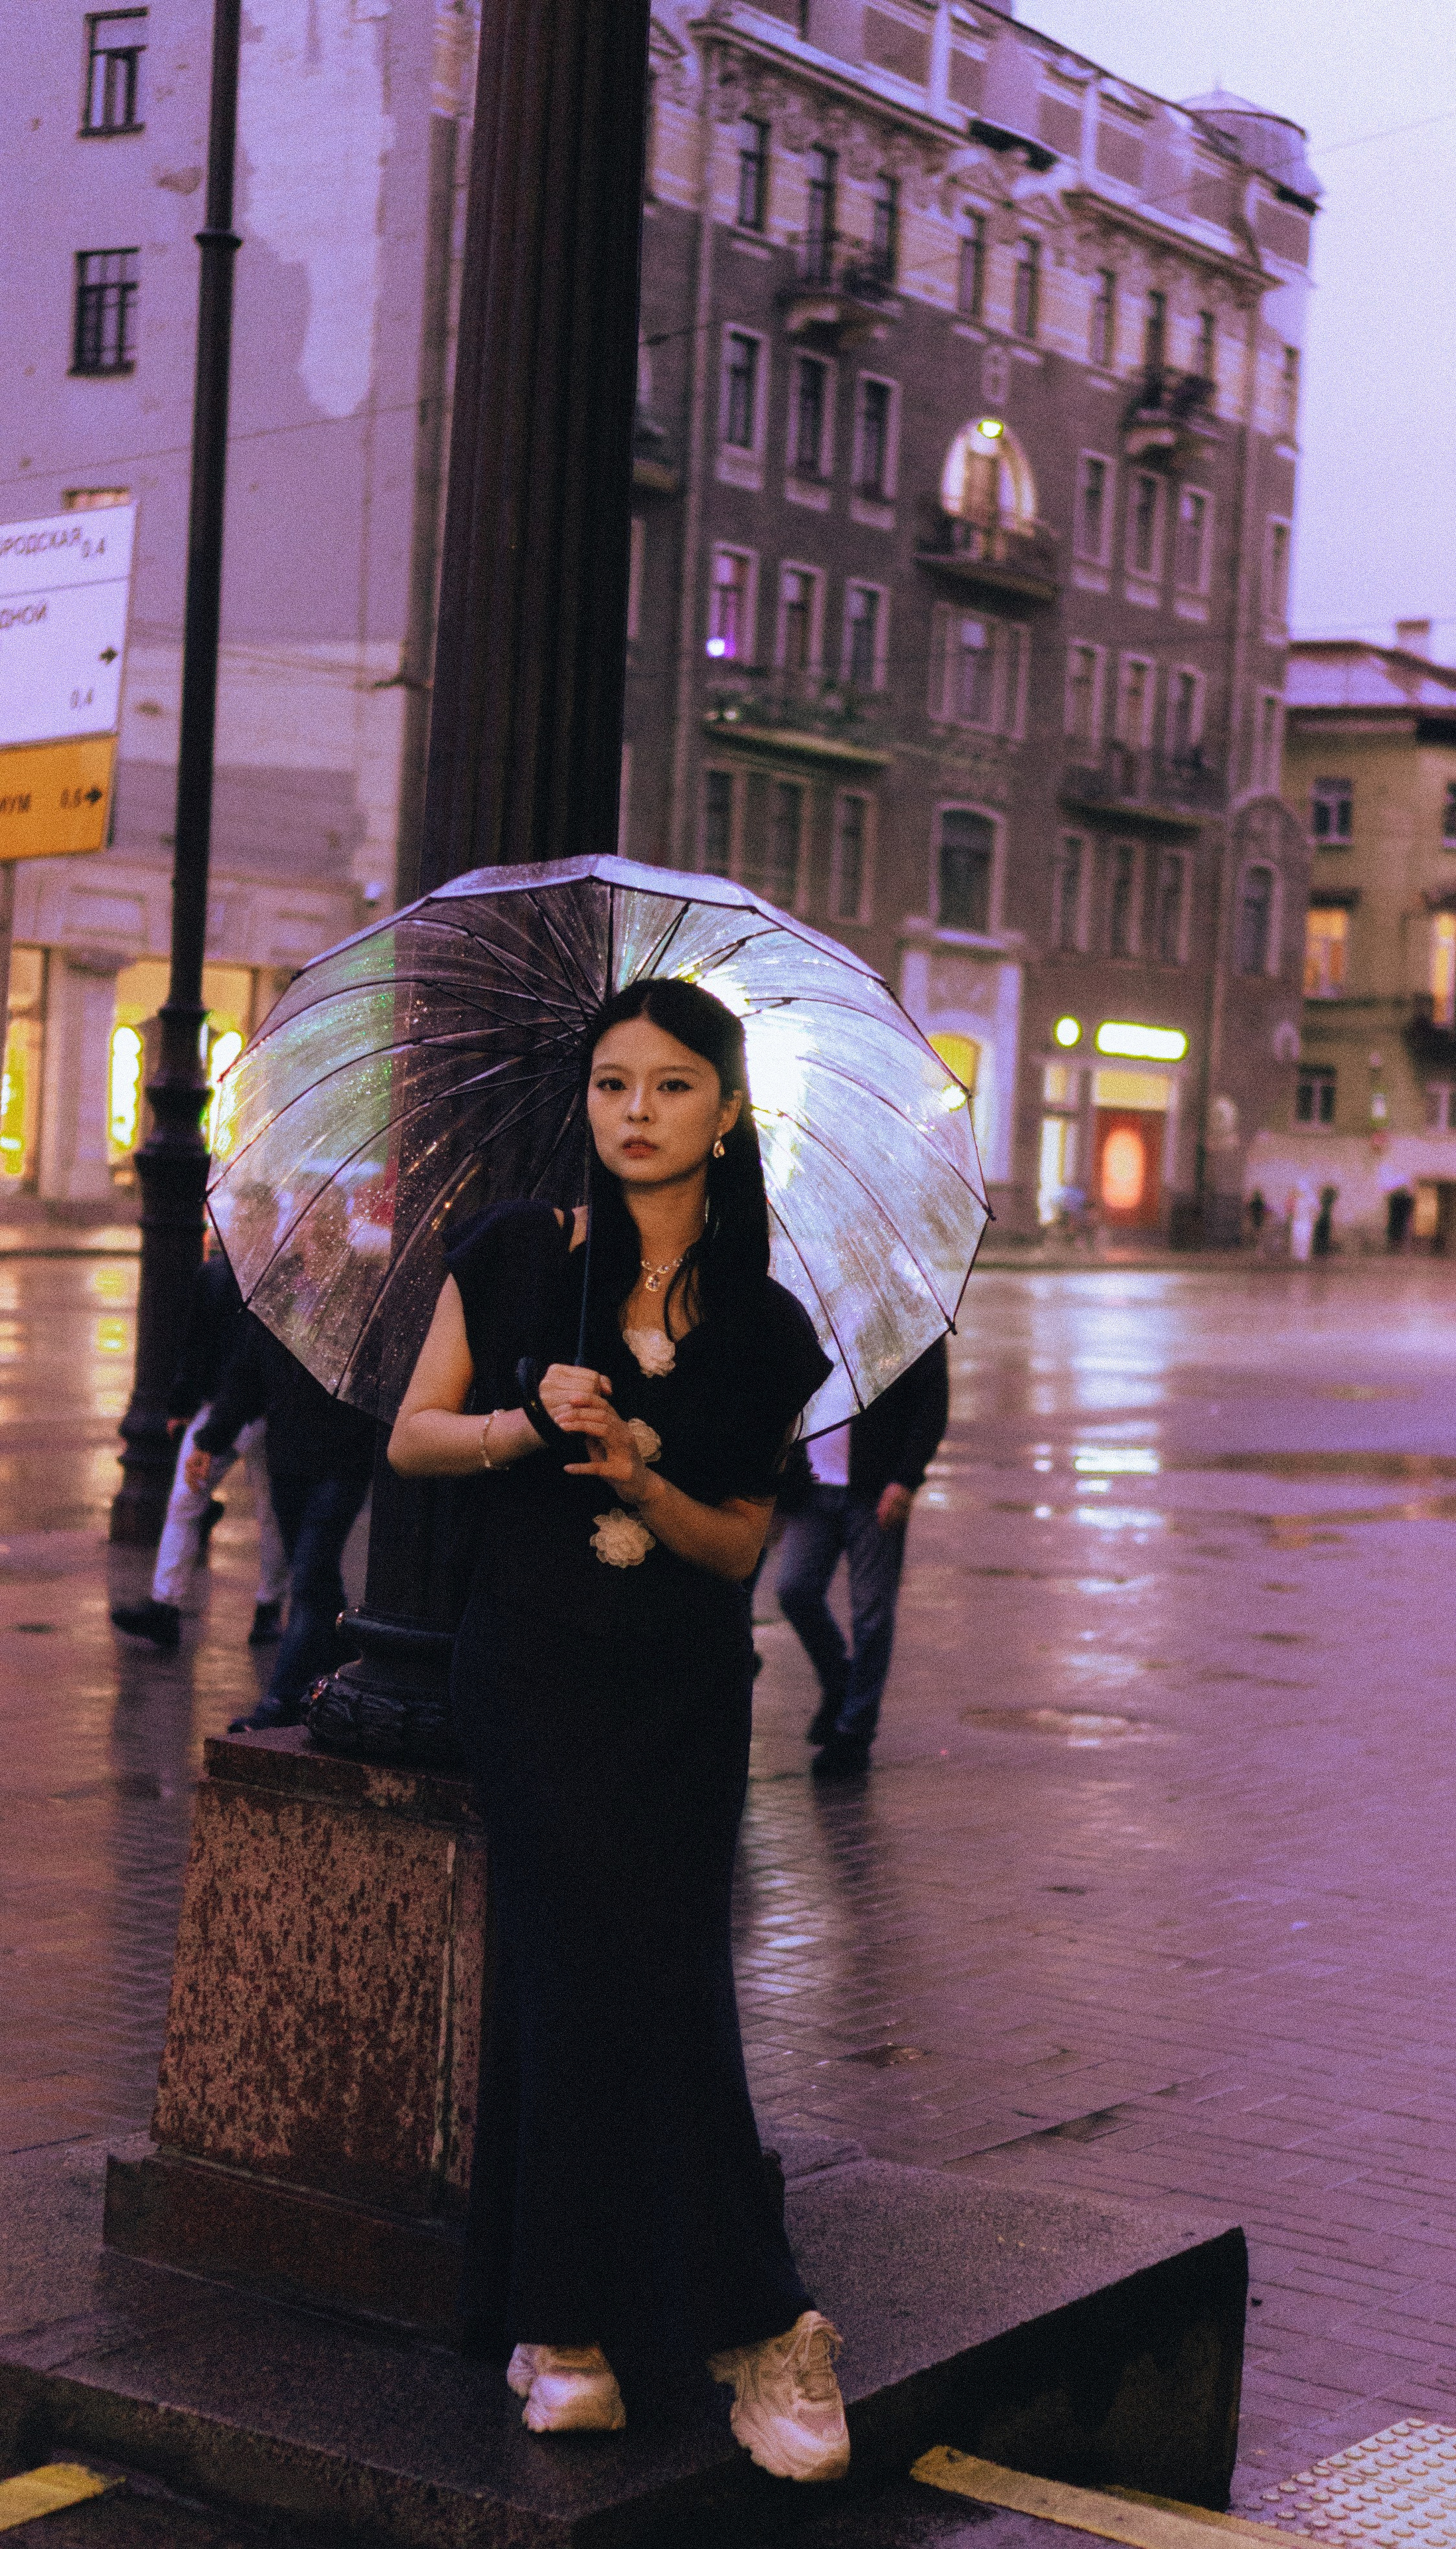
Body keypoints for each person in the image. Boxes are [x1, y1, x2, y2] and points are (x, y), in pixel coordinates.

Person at [387, 978, 851, 2484]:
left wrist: (642, 1468)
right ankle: (701, 2319)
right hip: (529, 1671)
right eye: (608, 1084)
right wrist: (532, 1424)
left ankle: (590, 2318)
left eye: (667, 1085)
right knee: (583, 1964)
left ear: (726, 1113)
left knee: (651, 1973)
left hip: (677, 1693)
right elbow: (413, 1433)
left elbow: (735, 1550)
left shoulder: (765, 1327)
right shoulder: (521, 1255)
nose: (632, 1112)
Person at [188, 1199, 378, 1734]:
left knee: (310, 1579)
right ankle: (345, 1664)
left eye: (327, 1228)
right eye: (309, 1229)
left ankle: (279, 1702)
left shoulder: (363, 1298)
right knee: (316, 1581)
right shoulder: (278, 1296)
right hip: (290, 1460)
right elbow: (246, 1375)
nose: (314, 1238)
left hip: (341, 1461)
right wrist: (210, 1437)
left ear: (341, 1236)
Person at [111, 1200, 289, 1652]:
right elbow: (196, 1346)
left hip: (260, 1413)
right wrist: (183, 1405)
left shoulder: (277, 1280)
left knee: (266, 1514)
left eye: (258, 1221)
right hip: (231, 1410)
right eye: (247, 1221)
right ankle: (169, 1606)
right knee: (189, 1501)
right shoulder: (220, 1276)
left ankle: (264, 1606)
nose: (251, 1231)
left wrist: (186, 1406)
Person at [774, 1338, 948, 1780]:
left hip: (873, 1492)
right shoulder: (808, 1310)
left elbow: (931, 1405)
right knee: (795, 1591)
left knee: (871, 1613)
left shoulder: (906, 1321)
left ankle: (854, 1730)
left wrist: (906, 1479)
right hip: (810, 1485)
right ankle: (839, 1681)